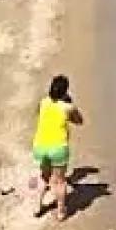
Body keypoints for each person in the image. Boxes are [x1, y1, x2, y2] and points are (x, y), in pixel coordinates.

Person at [30, 74, 83, 222]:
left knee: (44, 177)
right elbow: (79, 121)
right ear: (65, 91)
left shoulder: (43, 102)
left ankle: (37, 207)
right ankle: (60, 211)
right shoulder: (67, 107)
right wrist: (69, 106)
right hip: (58, 147)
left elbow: (38, 113)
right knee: (59, 181)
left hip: (40, 145)